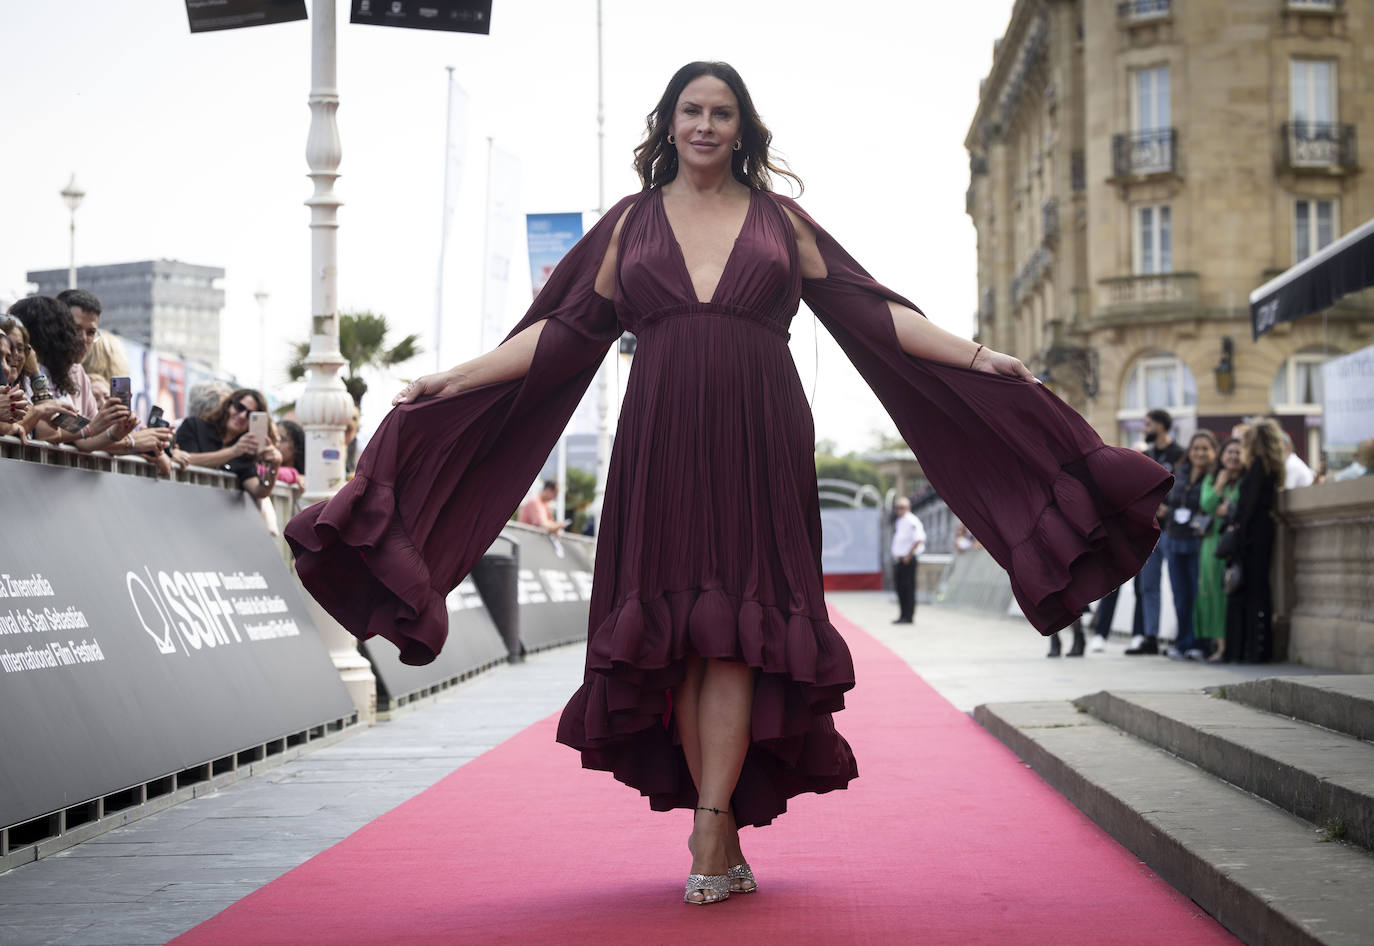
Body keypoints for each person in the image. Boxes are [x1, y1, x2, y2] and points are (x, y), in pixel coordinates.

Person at [285, 61, 1171, 906]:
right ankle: (720, 830)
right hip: (660, 444)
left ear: (741, 128)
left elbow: (877, 314)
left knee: (738, 634)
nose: (706, 125)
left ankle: (710, 831)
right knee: (682, 634)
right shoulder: (629, 224)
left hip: (761, 442)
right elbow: (559, 338)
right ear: (668, 125)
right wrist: (460, 375)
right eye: (691, 111)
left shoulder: (781, 222)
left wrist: (981, 356)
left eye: (722, 113)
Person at [8, 296, 168, 457]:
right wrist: (98, 429)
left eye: (90, 333)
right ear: (48, 335)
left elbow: (80, 438)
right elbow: (49, 433)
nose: (80, 339)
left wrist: (114, 432)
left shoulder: (60, 372)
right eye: (71, 331)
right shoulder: (19, 376)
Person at [1220, 419, 1284, 663]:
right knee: (1259, 592)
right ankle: (1257, 648)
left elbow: (1249, 507)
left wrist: (1238, 537)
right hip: (1261, 534)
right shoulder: (1270, 467)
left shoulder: (1258, 467)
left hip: (1252, 538)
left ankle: (1255, 650)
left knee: (1253, 592)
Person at [1125, 408, 1185, 655]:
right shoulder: (1147, 454)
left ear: (1161, 426)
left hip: (1172, 529)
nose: (1144, 428)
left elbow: (1183, 487)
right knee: (1148, 586)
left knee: (1179, 584)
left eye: (1148, 424)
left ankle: (1183, 638)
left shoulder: (1179, 454)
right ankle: (1150, 636)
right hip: (1149, 530)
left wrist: (1167, 508)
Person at [1162, 430, 1217, 660]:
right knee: (1180, 596)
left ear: (1214, 452)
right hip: (1174, 539)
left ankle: (1200, 643)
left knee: (1198, 595)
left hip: (1199, 542)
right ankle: (1182, 643)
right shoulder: (1180, 472)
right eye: (1196, 448)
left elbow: (1210, 506)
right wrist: (1168, 511)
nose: (1200, 453)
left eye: (1205, 448)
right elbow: (1168, 500)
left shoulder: (1214, 477)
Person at [175, 387, 282, 499]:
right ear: (228, 405)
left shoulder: (245, 451)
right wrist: (233, 451)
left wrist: (275, 466)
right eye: (239, 407)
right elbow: (185, 460)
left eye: (250, 415)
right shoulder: (194, 426)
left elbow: (259, 491)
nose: (242, 416)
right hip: (181, 500)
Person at [1195, 436, 1241, 662]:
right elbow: (1207, 504)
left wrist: (1225, 507)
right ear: (1221, 456)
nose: (1233, 456)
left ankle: (1231, 645)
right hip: (1213, 542)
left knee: (1230, 593)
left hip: (1236, 543)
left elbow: (1235, 508)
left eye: (1238, 452)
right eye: (1229, 452)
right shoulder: (1211, 479)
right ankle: (1219, 645)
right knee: (1212, 591)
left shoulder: (1244, 480)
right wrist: (1220, 483)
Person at [890, 496, 925, 624]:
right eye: (897, 507)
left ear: (908, 508)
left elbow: (919, 539)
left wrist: (908, 555)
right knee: (900, 589)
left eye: (902, 507)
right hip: (899, 560)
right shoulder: (900, 521)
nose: (899, 510)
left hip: (907, 560)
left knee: (908, 588)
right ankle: (903, 614)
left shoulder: (912, 521)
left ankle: (908, 616)